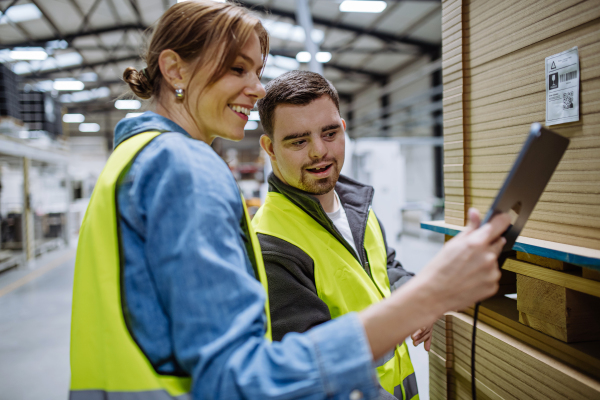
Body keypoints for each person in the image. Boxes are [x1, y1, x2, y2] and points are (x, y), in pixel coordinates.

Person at [69, 1, 511, 400]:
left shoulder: (132, 157)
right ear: (175, 69)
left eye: (256, 71)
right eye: (237, 69)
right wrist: (430, 295)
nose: (257, 87)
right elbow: (236, 380)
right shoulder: (184, 168)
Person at [252, 70, 426, 400]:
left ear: (343, 130)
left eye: (329, 133)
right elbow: (315, 377)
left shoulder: (356, 205)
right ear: (270, 148)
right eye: (299, 141)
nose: (319, 151)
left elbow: (384, 269)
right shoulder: (272, 243)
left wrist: (419, 302)